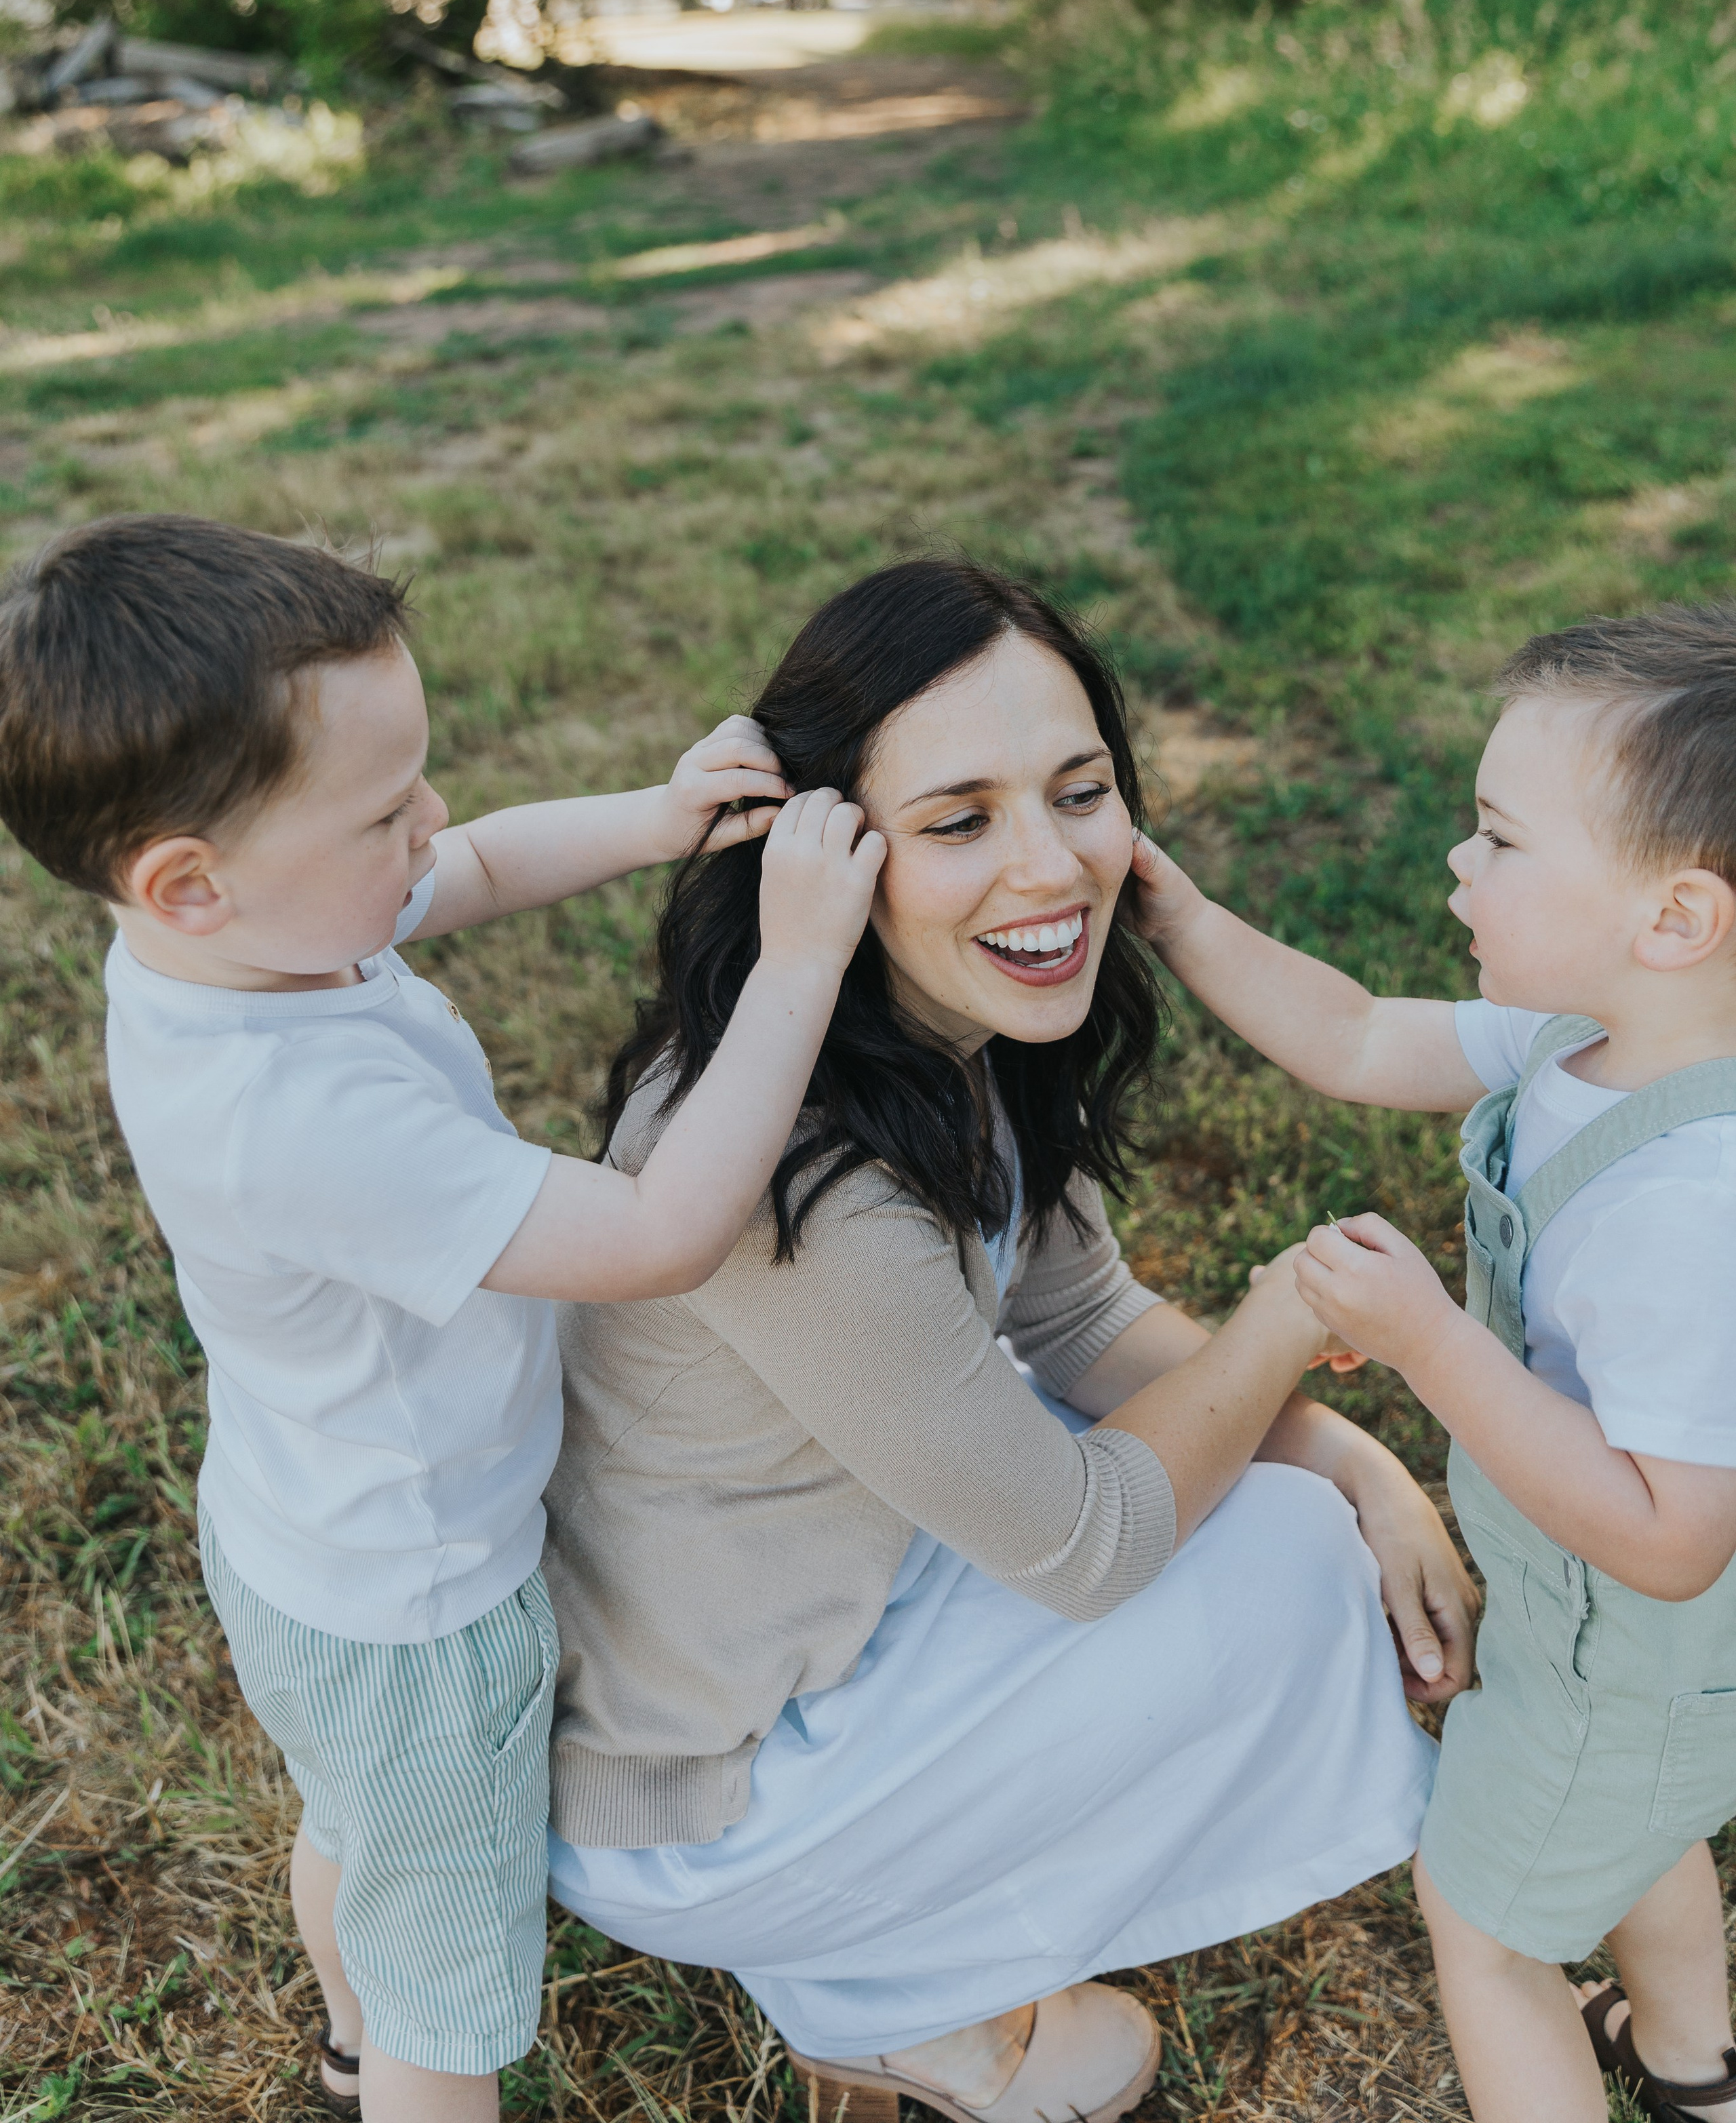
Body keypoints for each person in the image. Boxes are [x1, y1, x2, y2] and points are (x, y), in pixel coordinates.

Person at [541, 557, 1477, 2123]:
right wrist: (1283, 1319)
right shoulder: (787, 1161)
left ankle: (893, 1961)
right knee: (1281, 1565)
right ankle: (896, 1989)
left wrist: (1358, 1456)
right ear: (823, 856)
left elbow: (1081, 1313)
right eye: (960, 821)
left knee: (1280, 1498)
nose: (1048, 870)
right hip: (700, 1789)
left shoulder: (933, 1034)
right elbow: (1092, 1546)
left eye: (1080, 792)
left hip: (832, 1599)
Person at [0, 514, 885, 2123]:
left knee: (355, 1826)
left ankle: (349, 2046)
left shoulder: (237, 946)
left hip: (299, 1536)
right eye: (385, 807)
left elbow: (464, 873)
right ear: (187, 882)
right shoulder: (297, 1112)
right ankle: (388, 2064)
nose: (434, 820)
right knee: (450, 2000)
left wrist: (656, 818)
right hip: (421, 1608)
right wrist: (799, 965)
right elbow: (659, 1231)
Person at [1137, 604, 1736, 2123]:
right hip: (1582, 1625)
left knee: (1481, 1927)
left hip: (1635, 1647)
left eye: (1497, 838)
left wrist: (1425, 1340)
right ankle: (1690, 2070)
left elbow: (1674, 1541)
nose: (1456, 865)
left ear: (1671, 916)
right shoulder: (1584, 1035)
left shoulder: (1684, 1209)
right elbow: (1347, 1035)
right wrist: (1181, 917)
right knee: (1637, 1830)